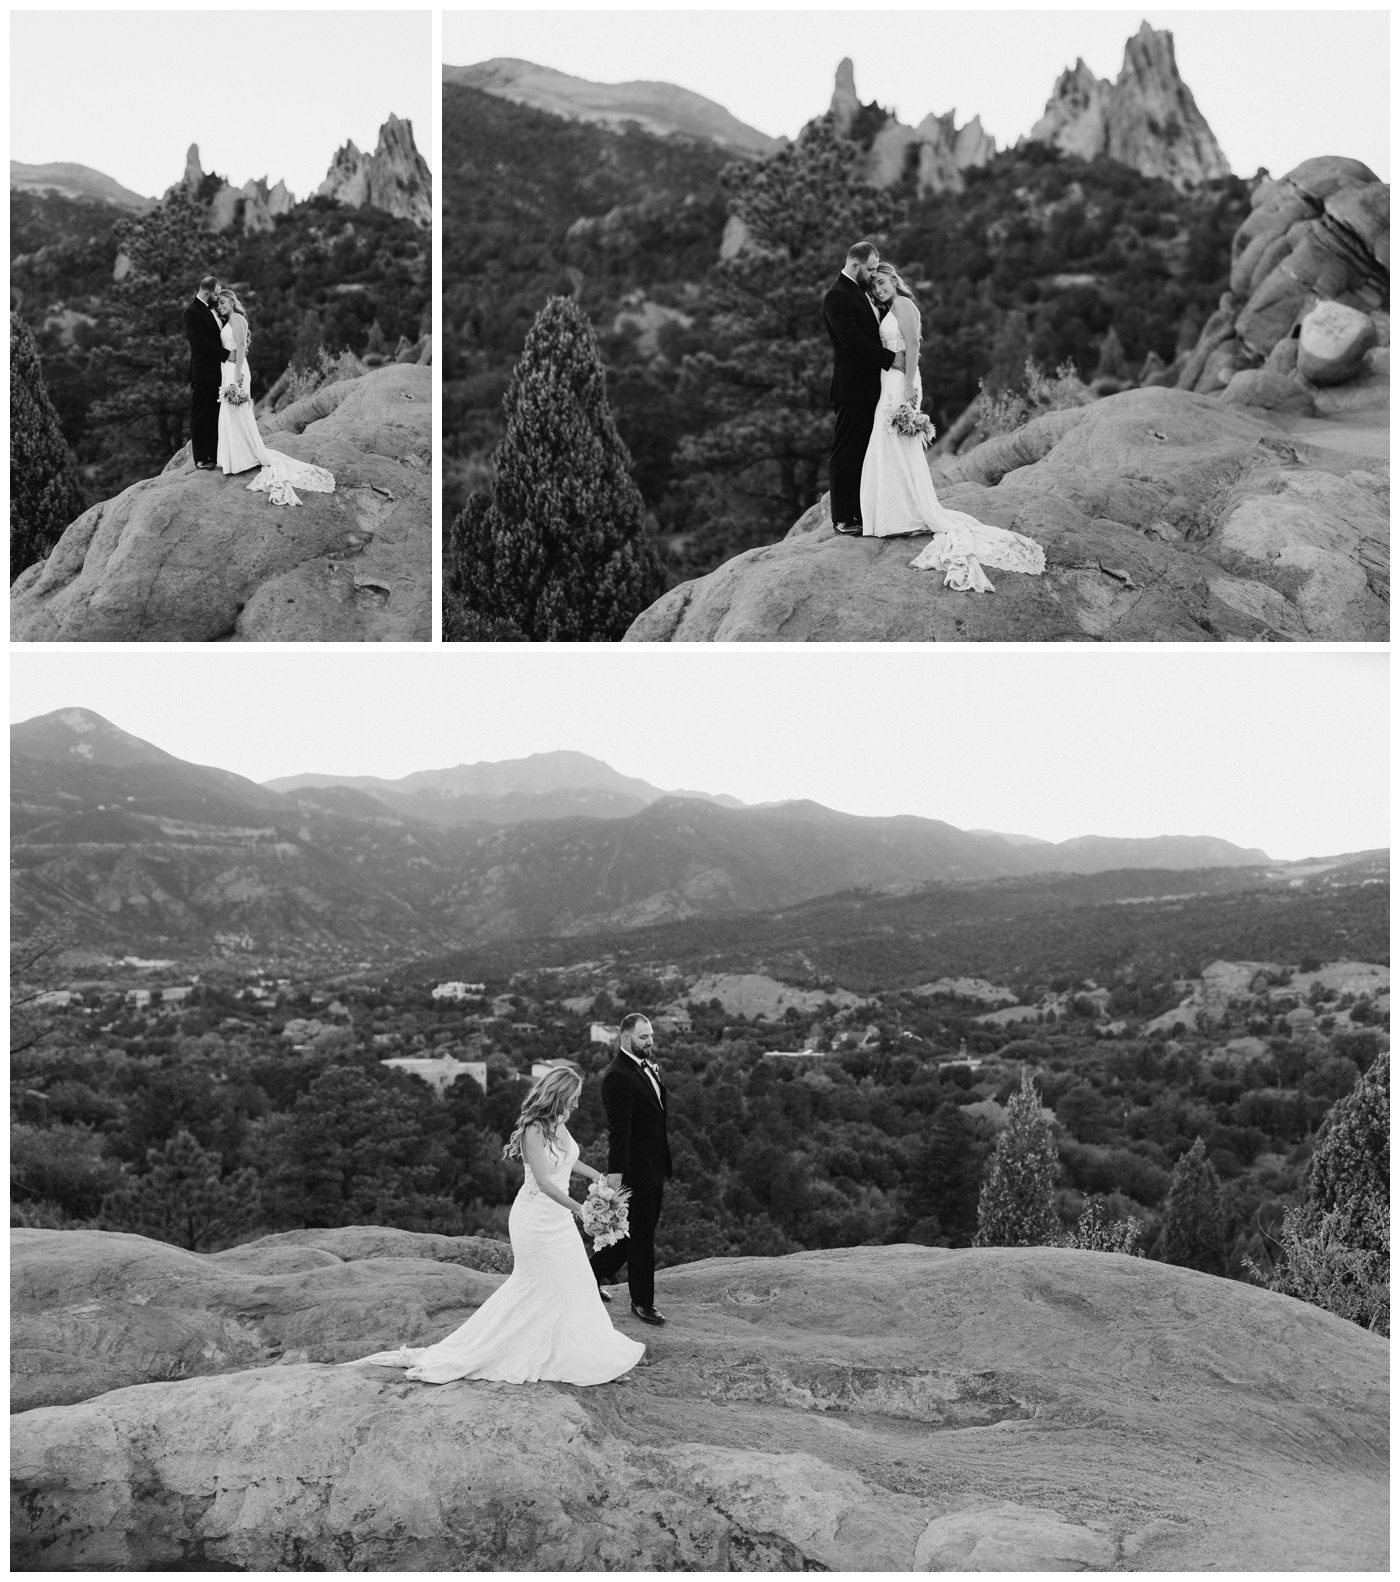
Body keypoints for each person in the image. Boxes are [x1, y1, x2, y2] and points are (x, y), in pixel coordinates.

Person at [347, 1064, 644, 1385]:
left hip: (558, 1218)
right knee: (535, 1285)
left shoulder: (559, 1123)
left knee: (578, 1282)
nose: (577, 1103)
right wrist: (581, 1208)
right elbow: (544, 1182)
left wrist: (596, 1176)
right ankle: (514, 1351)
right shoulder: (533, 1129)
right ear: (559, 1094)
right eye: (574, 1097)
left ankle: (594, 1359)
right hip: (535, 1220)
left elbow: (568, 1160)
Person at [860, 263, 1046, 592]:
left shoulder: (903, 304)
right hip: (889, 381)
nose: (878, 289)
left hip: (901, 383)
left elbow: (913, 345)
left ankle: (901, 514)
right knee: (888, 444)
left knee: (894, 442)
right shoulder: (889, 309)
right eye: (873, 286)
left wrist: (908, 386)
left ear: (893, 278)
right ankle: (894, 513)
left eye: (881, 282)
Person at [213, 288, 336, 507]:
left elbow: (241, 346)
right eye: (218, 303)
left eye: (223, 302)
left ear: (232, 301)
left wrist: (238, 372)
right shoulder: (227, 321)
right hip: (227, 369)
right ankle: (232, 457)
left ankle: (241, 458)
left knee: (236, 410)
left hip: (236, 370)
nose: (220, 306)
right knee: (229, 411)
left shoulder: (237, 319)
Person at [589, 1014, 672, 1326]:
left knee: (629, 1235)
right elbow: (619, 1130)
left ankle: (588, 1276)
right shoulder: (617, 1076)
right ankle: (642, 1302)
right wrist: (616, 1175)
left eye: (650, 1035)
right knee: (641, 1237)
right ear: (625, 1039)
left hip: (653, 1166)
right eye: (643, 1037)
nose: (650, 1041)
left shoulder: (642, 1065)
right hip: (635, 1171)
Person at [821, 241, 906, 537]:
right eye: (869, 269)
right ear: (854, 264)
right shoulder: (837, 296)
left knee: (863, 451)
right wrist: (891, 359)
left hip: (871, 385)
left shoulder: (859, 291)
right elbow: (852, 341)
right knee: (846, 452)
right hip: (852, 387)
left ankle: (861, 510)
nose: (872, 275)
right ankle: (843, 518)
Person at [182, 274, 230, 471]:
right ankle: (201, 458)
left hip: (219, 372)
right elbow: (200, 344)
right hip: (203, 372)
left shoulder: (214, 310)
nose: (218, 298)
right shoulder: (191, 313)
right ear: (206, 292)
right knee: (200, 415)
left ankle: (215, 453)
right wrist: (228, 355)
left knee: (214, 414)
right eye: (216, 294)